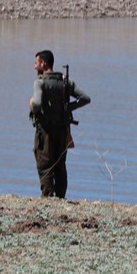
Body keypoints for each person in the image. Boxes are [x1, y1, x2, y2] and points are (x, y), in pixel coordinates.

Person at [29, 49, 91, 198]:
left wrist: (31, 104)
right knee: (60, 164)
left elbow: (37, 104)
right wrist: (68, 108)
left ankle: (47, 196)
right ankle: (61, 196)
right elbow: (85, 98)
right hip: (63, 130)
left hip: (45, 131)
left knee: (45, 164)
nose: (34, 66)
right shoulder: (65, 81)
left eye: (36, 63)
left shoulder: (40, 82)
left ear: (43, 63)